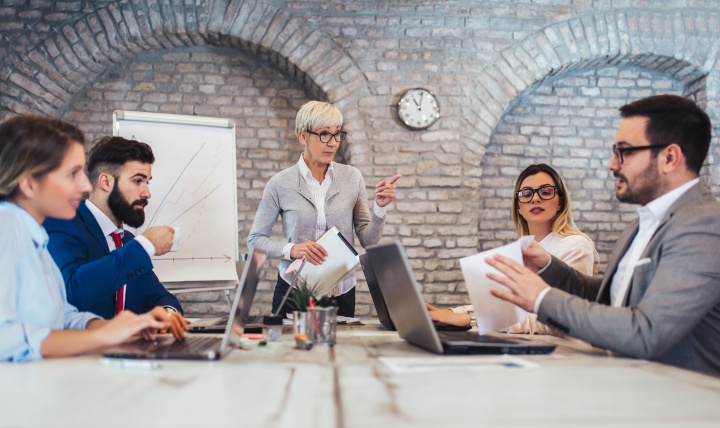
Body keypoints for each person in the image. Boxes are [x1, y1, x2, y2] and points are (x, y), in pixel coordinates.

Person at [487, 94, 720, 377]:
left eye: (625, 152)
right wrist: (549, 266)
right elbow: (612, 297)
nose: (612, 164)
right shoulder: (641, 224)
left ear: (669, 158)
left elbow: (646, 333)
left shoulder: (704, 225)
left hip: (680, 401)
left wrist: (541, 299)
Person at [0, 114, 182, 362]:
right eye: (72, 173)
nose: (86, 186)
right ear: (29, 184)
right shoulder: (7, 225)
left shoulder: (34, 236)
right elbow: (7, 338)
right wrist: (103, 337)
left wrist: (116, 327)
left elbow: (62, 315)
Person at [247, 101, 401, 317]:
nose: (333, 143)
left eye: (337, 134)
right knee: (291, 351)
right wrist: (293, 249)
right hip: (294, 291)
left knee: (338, 351)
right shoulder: (280, 183)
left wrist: (380, 209)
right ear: (303, 136)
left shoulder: (352, 177)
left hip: (341, 290)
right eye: (324, 134)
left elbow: (369, 240)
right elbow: (255, 241)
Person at [428, 164, 596, 333]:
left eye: (545, 192)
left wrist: (472, 319)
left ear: (560, 201)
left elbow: (562, 319)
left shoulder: (575, 245)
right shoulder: (523, 250)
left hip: (561, 353)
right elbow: (504, 308)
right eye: (526, 194)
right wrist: (450, 313)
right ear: (518, 207)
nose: (535, 199)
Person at [44, 136, 187, 334]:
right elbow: (72, 292)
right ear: (106, 181)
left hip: (127, 357)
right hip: (80, 358)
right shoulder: (64, 222)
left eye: (147, 182)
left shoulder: (126, 241)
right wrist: (147, 245)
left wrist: (168, 314)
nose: (147, 193)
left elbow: (161, 298)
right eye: (138, 181)